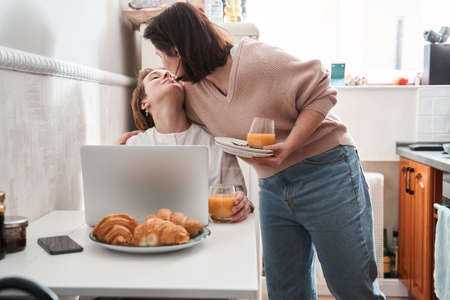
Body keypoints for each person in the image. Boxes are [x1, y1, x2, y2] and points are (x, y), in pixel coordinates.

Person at [121, 3, 386, 300]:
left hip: (326, 170)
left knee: (353, 288)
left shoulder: (257, 60)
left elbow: (322, 90)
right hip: (273, 186)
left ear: (178, 51)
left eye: (162, 56)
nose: (164, 67)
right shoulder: (190, 90)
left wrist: (291, 144)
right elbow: (172, 124)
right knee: (285, 291)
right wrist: (141, 136)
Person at [122, 68, 253, 223]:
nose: (167, 74)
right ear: (144, 103)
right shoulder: (134, 146)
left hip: (214, 236)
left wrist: (243, 205)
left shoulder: (216, 142)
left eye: (171, 75)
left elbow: (240, 197)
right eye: (155, 77)